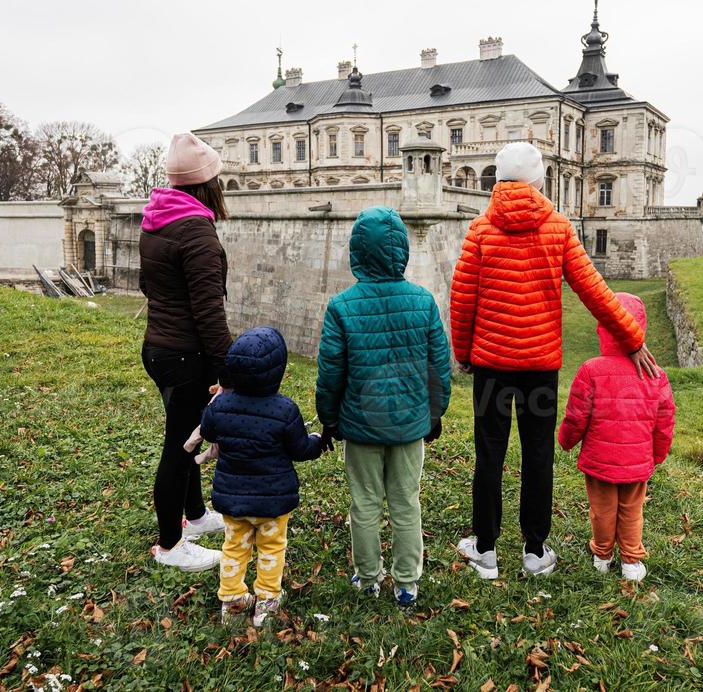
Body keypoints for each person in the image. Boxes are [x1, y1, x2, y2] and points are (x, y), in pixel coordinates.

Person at [449, 142, 660, 579]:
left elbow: (462, 299)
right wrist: (632, 338)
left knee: (490, 453)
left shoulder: (480, 230)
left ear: (498, 181)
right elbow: (595, 291)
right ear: (540, 181)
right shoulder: (558, 228)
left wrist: (463, 353)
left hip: (491, 364)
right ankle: (534, 550)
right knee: (538, 453)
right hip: (539, 368)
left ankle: (485, 550)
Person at [315, 207, 452, 609]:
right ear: (402, 252)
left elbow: (331, 372)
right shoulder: (423, 301)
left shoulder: (342, 307)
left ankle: (369, 576)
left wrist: (330, 418)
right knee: (406, 502)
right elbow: (438, 367)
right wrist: (434, 412)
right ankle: (407, 582)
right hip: (410, 425)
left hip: (360, 425)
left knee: (365, 503)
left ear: (356, 250)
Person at [138, 132, 233, 573]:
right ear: (206, 183)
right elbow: (208, 310)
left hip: (159, 346)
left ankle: (194, 517)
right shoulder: (196, 231)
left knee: (189, 434)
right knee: (179, 447)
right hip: (183, 355)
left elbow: (150, 286)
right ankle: (171, 544)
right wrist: (226, 368)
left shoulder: (157, 219)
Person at [199, 327, 329, 627]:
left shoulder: (220, 406)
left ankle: (232, 600)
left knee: (234, 547)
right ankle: (266, 600)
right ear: (278, 372)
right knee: (271, 547)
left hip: (233, 499)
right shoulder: (285, 410)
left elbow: (207, 431)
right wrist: (317, 441)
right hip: (273, 501)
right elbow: (300, 449)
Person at [557, 292, 675, 582]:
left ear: (603, 328)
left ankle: (602, 555)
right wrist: (657, 453)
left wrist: (567, 440)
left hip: (600, 461)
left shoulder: (591, 370)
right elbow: (664, 421)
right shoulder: (655, 374)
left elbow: (576, 414)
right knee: (632, 511)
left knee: (602, 510)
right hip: (637, 462)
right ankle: (632, 562)